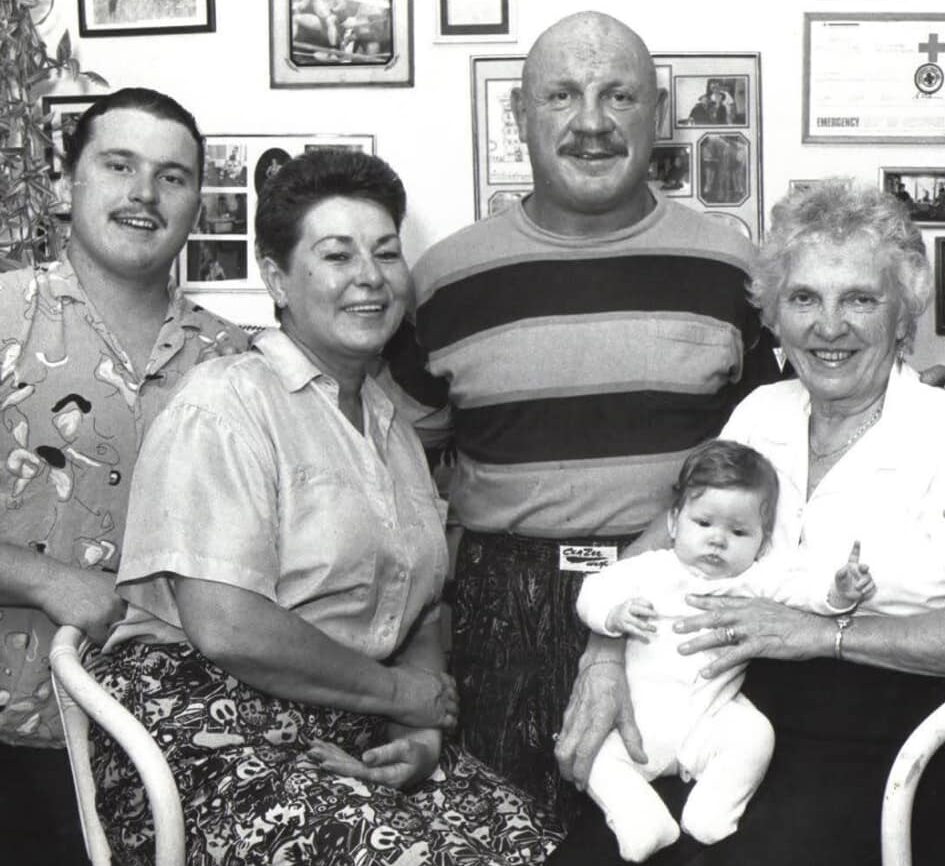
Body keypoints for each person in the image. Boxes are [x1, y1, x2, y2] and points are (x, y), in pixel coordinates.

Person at [86, 149, 563, 866]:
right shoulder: (225, 403)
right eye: (336, 255)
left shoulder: (392, 426)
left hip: (350, 720)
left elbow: (424, 607)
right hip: (205, 725)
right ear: (277, 278)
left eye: (385, 253)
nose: (369, 277)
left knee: (530, 841)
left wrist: (423, 728)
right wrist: (399, 691)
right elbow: (229, 627)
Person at [380, 10, 782, 826]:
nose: (592, 122)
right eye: (561, 95)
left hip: (689, 601)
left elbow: (769, 458)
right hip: (504, 608)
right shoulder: (444, 281)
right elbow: (401, 478)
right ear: (519, 116)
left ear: (658, 116)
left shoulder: (734, 270)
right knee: (509, 838)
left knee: (697, 836)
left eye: (619, 96)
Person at [551, 180, 945, 865]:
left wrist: (823, 634)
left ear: (903, 313)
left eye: (858, 297)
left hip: (880, 737)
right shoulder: (761, 412)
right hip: (719, 710)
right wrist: (605, 654)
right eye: (803, 298)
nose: (828, 326)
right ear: (774, 314)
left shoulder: (935, 435)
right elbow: (667, 541)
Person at [0, 88, 248, 866]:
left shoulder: (233, 359)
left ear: (195, 206)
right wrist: (42, 578)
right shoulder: (7, 313)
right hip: (10, 735)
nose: (145, 192)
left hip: (174, 737)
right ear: (68, 184)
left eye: (172, 177)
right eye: (119, 165)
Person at [577, 439, 873, 862]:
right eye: (704, 524)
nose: (718, 541)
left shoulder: (753, 580)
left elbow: (807, 593)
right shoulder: (649, 569)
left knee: (754, 735)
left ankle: (714, 808)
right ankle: (640, 818)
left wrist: (840, 592)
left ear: (762, 542)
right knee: (593, 757)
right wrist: (614, 614)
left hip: (708, 723)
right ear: (675, 522)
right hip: (637, 725)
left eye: (738, 532)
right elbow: (592, 591)